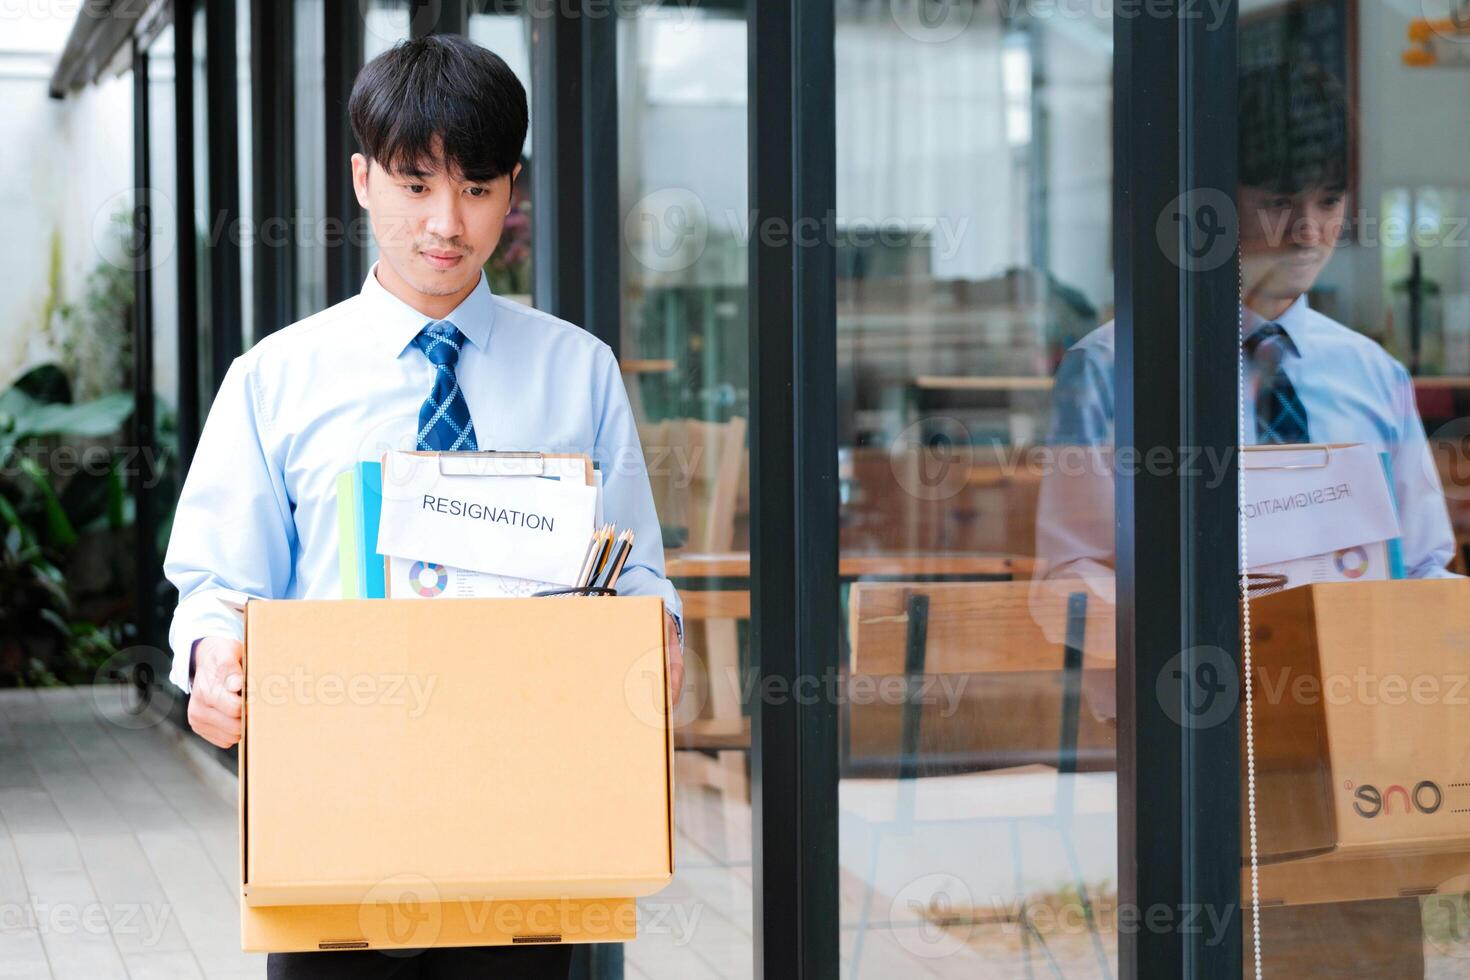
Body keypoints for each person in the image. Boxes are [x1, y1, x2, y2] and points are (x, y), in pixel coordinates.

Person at [162, 35, 684, 980]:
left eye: (477, 189)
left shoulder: (581, 370)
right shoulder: (274, 379)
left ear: (511, 191)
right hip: (335, 819)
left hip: (533, 812)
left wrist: (662, 638)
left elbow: (637, 570)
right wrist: (209, 658)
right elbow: (219, 582)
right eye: (415, 185)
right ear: (362, 180)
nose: (447, 222)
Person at [1036, 62, 1455, 977]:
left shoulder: (1371, 376)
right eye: (1277, 200)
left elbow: (1425, 567)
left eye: (1331, 200)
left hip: (1358, 746)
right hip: (1198, 741)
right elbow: (1068, 579)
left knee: (1368, 961)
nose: (1308, 231)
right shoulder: (1114, 369)